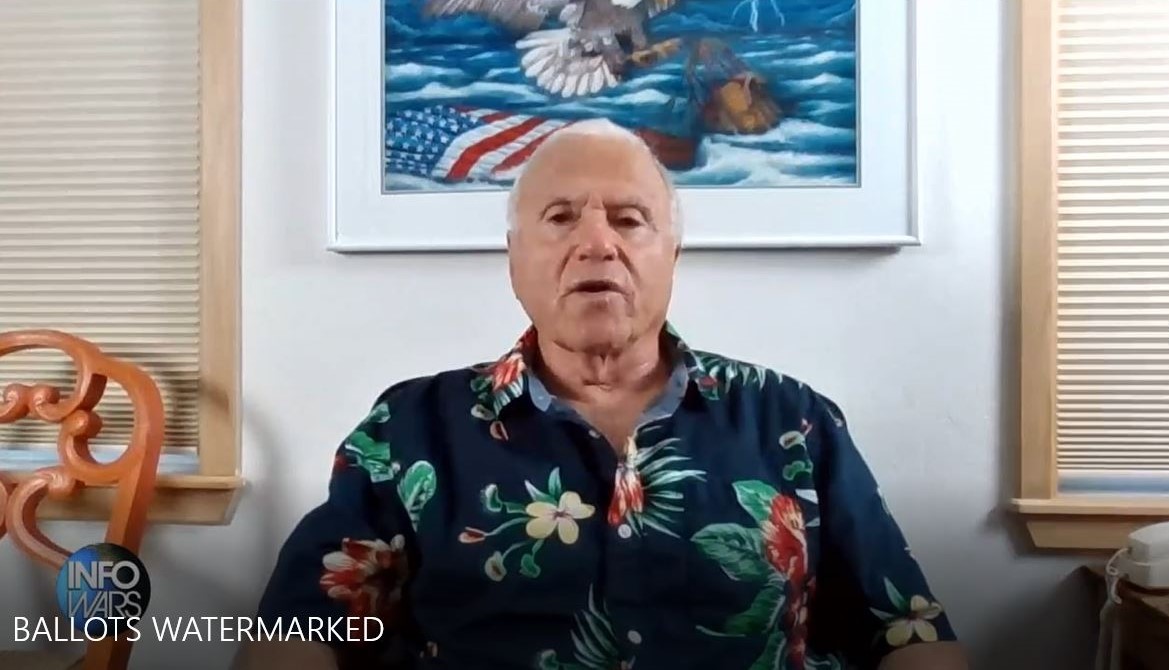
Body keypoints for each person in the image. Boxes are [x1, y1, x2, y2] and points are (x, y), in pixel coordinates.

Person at [238, 119, 969, 670]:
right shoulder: (410, 428)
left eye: (628, 219)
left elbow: (907, 629)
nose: (597, 244)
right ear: (514, 257)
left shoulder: (791, 420)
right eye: (559, 218)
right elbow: (296, 632)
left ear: (671, 254)